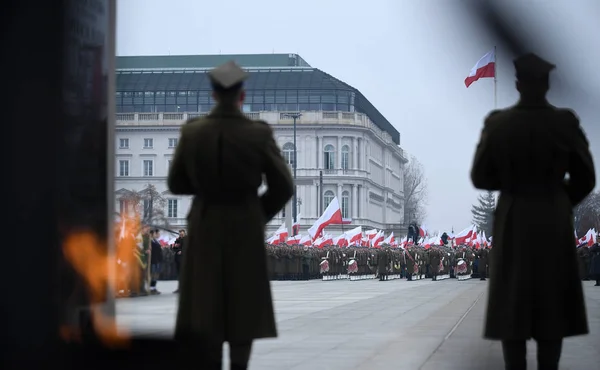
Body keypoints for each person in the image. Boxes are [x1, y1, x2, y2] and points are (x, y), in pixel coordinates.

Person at [471, 53, 596, 370]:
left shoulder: (498, 124)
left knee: (512, 301)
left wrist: (512, 183)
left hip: (514, 216)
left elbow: (480, 176)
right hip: (552, 217)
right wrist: (560, 197)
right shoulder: (564, 122)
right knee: (550, 301)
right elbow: (586, 177)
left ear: (517, 83)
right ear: (547, 84)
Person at [167, 60, 294, 370]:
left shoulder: (193, 131)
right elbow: (283, 185)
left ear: (213, 95)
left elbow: (175, 182)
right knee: (243, 300)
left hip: (206, 222)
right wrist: (256, 214)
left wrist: (204, 187)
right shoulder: (258, 133)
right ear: (241, 95)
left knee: (205, 302)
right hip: (245, 227)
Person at [149, 229, 163, 295]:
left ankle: (154, 287)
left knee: (156, 274)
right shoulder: (151, 241)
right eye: (155, 233)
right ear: (152, 234)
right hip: (153, 260)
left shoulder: (156, 241)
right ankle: (151, 288)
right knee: (153, 274)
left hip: (158, 260)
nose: (157, 235)